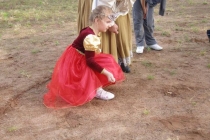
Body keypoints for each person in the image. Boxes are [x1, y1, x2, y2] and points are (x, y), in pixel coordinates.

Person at [43, 5, 125, 108]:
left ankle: (93, 86)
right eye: (107, 22)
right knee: (91, 69)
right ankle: (96, 90)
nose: (110, 25)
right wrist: (106, 73)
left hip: (80, 56)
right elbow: (89, 61)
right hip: (78, 60)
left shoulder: (90, 29)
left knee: (105, 61)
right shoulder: (90, 37)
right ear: (97, 20)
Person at [92, 0, 135, 73]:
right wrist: (110, 23)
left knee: (121, 36)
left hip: (120, 11)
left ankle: (120, 61)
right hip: (105, 9)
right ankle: (106, 66)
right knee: (106, 36)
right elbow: (103, 5)